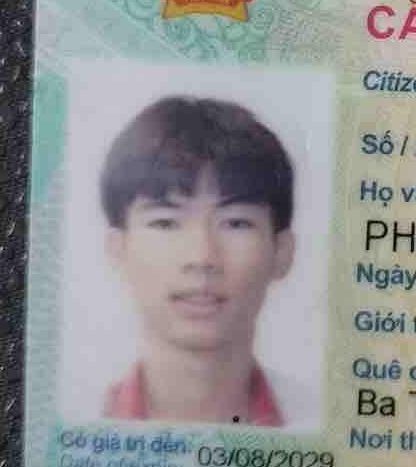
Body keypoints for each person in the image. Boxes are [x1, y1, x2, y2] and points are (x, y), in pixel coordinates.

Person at [99, 96, 299, 426]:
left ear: (282, 252)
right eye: (165, 223)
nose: (202, 256)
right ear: (118, 249)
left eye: (236, 222)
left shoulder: (324, 427)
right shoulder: (76, 424)